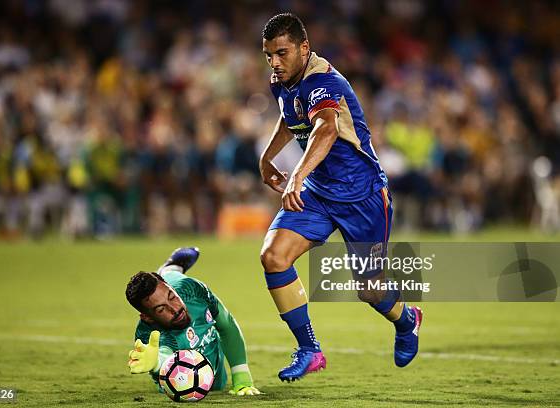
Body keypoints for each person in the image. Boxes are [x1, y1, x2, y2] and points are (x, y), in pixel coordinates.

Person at [258, 13, 423, 382]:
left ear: (304, 48)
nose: (274, 63)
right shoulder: (282, 80)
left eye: (282, 53)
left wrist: (296, 176)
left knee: (370, 290)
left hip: (362, 196)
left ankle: (408, 320)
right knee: (273, 256)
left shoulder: (324, 82)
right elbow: (290, 116)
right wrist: (267, 157)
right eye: (268, 55)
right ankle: (310, 349)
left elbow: (326, 128)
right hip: (319, 192)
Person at [125, 247, 261, 396]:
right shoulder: (149, 336)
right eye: (161, 309)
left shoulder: (192, 290)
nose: (175, 309)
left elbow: (226, 324)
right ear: (148, 317)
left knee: (172, 276)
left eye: (172, 297)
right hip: (185, 383)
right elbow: (165, 356)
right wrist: (156, 363)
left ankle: (170, 268)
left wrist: (241, 376)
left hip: (176, 282)